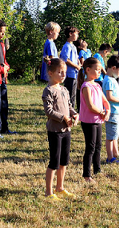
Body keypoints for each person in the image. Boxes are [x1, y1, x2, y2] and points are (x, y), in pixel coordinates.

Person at [41, 57, 79, 200]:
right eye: (60, 72)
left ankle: (60, 187)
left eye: (64, 72)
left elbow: (69, 107)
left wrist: (74, 115)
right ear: (50, 73)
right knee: (54, 162)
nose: (63, 75)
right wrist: (63, 117)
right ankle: (49, 192)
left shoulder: (64, 89)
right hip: (55, 131)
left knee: (64, 161)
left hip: (66, 131)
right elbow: (49, 111)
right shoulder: (48, 90)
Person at [77, 57, 110, 182]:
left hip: (98, 120)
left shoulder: (97, 85)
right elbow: (90, 106)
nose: (99, 72)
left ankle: (97, 170)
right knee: (90, 147)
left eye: (100, 70)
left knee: (98, 146)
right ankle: (87, 175)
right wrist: (102, 112)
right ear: (88, 70)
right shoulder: (86, 86)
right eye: (96, 70)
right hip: (88, 121)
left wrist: (107, 112)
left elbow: (105, 101)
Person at [102, 55, 119, 164]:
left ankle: (116, 154)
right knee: (110, 137)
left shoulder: (112, 79)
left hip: (116, 112)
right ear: (113, 68)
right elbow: (109, 97)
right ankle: (110, 157)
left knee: (115, 135)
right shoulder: (109, 80)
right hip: (112, 113)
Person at [59, 26, 81, 109]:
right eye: (76, 34)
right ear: (70, 34)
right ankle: (68, 110)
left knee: (74, 94)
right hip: (69, 74)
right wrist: (76, 66)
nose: (77, 36)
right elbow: (65, 59)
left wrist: (79, 63)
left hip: (75, 74)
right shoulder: (67, 46)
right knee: (69, 93)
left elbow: (76, 58)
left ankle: (71, 110)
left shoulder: (73, 46)